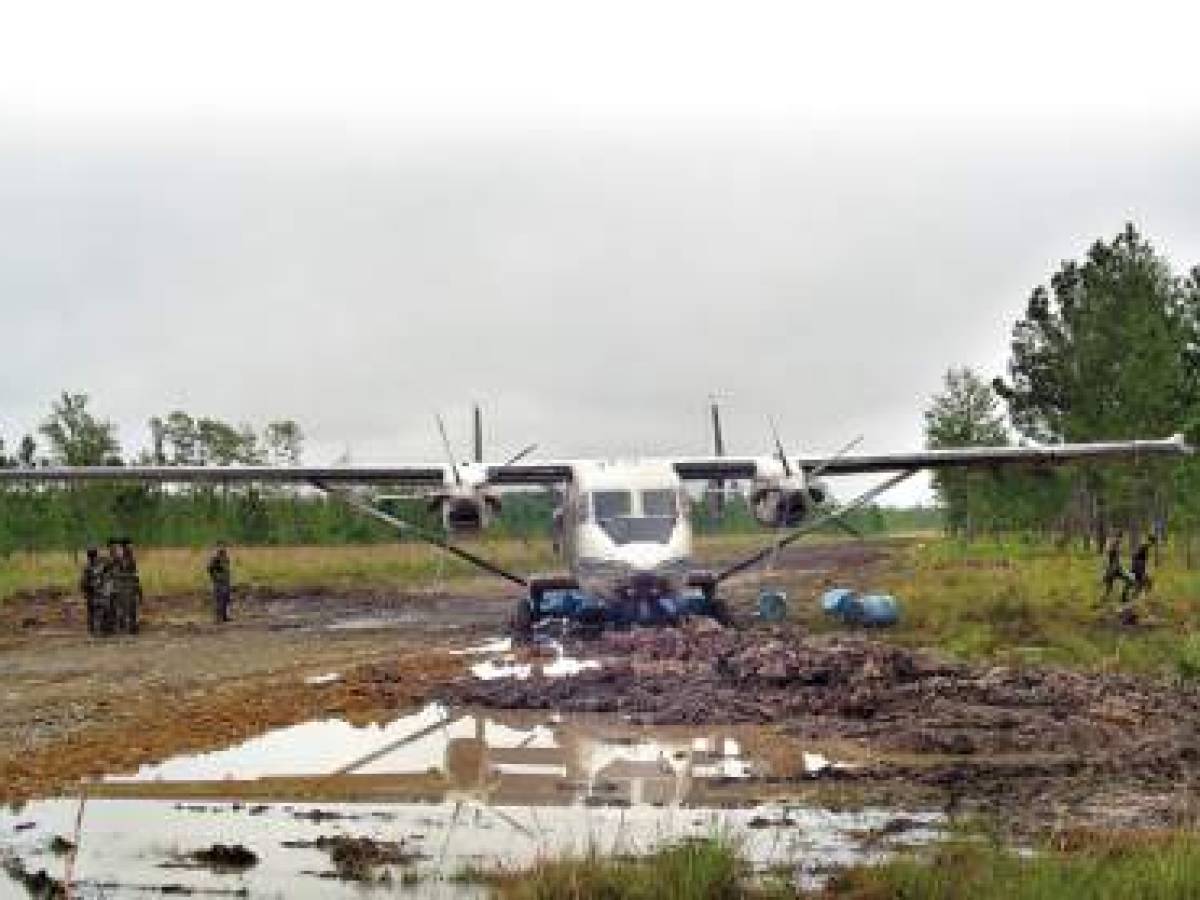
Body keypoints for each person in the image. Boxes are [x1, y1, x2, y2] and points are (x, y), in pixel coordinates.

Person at [79, 546, 104, 635]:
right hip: (99, 593)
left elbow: (83, 581)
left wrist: (84, 591)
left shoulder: (88, 568)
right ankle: (97, 629)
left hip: (93, 592)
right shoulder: (100, 567)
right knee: (98, 611)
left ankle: (93, 629)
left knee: (92, 611)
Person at [1126, 535, 1157, 602]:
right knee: (1145, 583)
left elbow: (1136, 558)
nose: (1153, 545)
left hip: (1138, 568)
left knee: (1142, 583)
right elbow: (1136, 558)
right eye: (1153, 543)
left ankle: (1136, 598)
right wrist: (1141, 571)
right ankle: (1135, 598)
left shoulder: (1145, 546)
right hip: (1138, 568)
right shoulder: (1144, 547)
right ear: (1151, 541)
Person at [207, 542, 232, 623]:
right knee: (219, 599)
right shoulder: (215, 559)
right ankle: (218, 618)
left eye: (224, 548)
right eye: (221, 548)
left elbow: (227, 570)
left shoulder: (226, 558)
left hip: (225, 581)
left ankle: (224, 616)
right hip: (219, 582)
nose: (223, 550)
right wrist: (215, 577)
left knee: (226, 599)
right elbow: (210, 569)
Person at [1102, 532, 1132, 599]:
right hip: (1114, 569)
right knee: (1130, 579)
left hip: (1112, 569)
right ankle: (1123, 596)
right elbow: (1110, 555)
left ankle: (1123, 596)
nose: (1121, 541)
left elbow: (1108, 556)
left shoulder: (1114, 545)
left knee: (1109, 589)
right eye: (1120, 538)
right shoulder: (1114, 545)